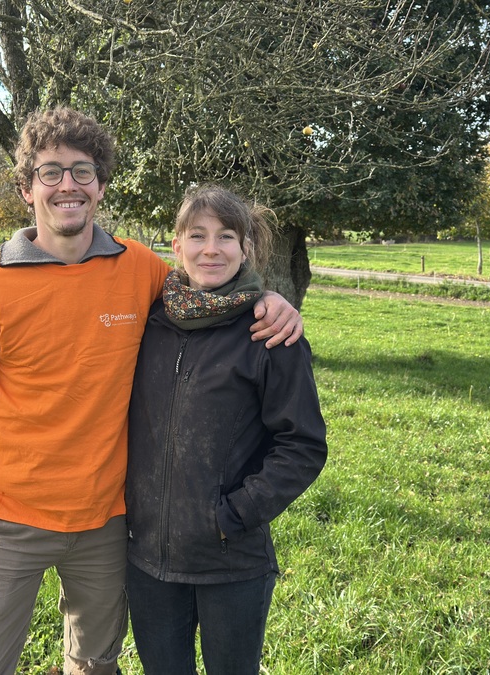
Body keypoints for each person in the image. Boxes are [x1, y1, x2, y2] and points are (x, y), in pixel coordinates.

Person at [0, 107, 304, 675]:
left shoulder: (140, 271)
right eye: (50, 172)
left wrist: (267, 298)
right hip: (11, 521)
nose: (68, 185)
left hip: (108, 525)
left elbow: (208, 287)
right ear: (27, 188)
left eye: (83, 171)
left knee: (95, 666)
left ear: (101, 185)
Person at [125, 185, 328, 675]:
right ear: (177, 245)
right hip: (148, 560)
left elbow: (302, 445)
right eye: (197, 235)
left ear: (246, 248)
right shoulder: (148, 322)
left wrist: (234, 514)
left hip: (230, 559)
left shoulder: (269, 333)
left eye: (226, 236)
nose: (211, 249)